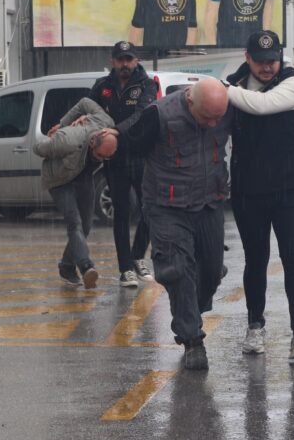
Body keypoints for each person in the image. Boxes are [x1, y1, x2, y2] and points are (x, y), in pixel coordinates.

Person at [96, 79, 233, 370]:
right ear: (190, 100)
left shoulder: (226, 109)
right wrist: (107, 141)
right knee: (178, 270)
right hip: (167, 207)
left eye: (217, 118)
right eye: (206, 116)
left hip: (209, 201)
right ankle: (192, 339)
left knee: (210, 270)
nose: (212, 124)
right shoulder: (159, 115)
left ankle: (191, 313)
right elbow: (129, 140)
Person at [224, 30, 294, 360]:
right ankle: (255, 327)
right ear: (247, 57)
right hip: (248, 191)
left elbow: (263, 106)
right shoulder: (234, 84)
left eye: (273, 60)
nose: (268, 67)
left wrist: (224, 91)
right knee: (256, 260)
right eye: (261, 61)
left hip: (288, 189)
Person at [90, 41, 158, 288]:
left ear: (136, 60)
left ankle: (138, 256)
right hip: (115, 159)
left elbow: (141, 114)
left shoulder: (147, 85)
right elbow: (88, 110)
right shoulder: (102, 86)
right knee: (121, 212)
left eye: (129, 59)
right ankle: (125, 268)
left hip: (140, 155)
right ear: (113, 61)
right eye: (121, 60)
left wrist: (116, 131)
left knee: (149, 208)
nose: (125, 64)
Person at [34, 97, 116, 289]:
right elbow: (38, 148)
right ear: (92, 142)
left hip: (82, 177)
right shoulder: (67, 140)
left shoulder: (107, 123)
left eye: (106, 157)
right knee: (74, 222)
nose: (102, 160)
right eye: (100, 156)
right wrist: (59, 129)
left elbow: (84, 102)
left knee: (86, 226)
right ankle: (86, 267)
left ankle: (66, 266)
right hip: (60, 180)